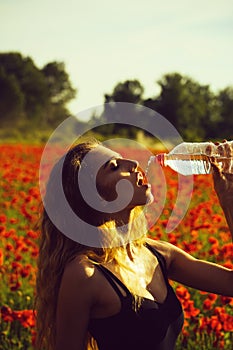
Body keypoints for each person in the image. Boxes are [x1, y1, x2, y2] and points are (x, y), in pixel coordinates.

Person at [35, 139, 233, 350]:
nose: (132, 163)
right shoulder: (85, 274)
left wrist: (227, 197)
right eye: (114, 167)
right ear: (93, 198)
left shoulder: (158, 254)